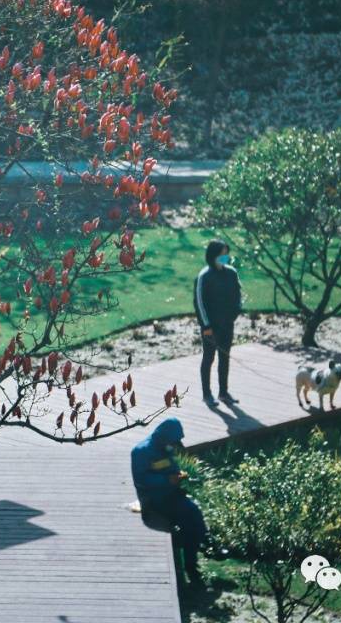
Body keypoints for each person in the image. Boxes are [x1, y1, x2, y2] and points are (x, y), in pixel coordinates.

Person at [131, 418, 208, 587]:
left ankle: (195, 554)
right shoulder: (141, 451)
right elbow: (141, 479)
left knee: (196, 518)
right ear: (163, 437)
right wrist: (167, 480)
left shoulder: (167, 448)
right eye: (173, 441)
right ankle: (189, 566)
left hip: (173, 495)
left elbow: (169, 467)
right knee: (189, 523)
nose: (175, 445)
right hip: (154, 500)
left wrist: (178, 475)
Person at [194, 239, 242, 405]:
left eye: (226, 254)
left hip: (227, 324)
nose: (225, 257)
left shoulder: (232, 273)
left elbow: (238, 295)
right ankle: (207, 394)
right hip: (210, 327)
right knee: (209, 358)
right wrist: (206, 326)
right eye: (222, 255)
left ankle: (223, 392)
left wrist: (235, 313)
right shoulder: (204, 276)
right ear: (213, 256)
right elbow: (199, 303)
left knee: (225, 358)